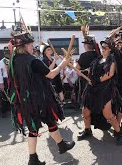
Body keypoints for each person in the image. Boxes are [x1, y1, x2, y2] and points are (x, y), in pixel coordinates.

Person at [9, 29, 75, 165]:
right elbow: (50, 74)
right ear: (25, 46)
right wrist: (63, 64)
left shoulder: (14, 60)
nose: (33, 46)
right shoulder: (33, 61)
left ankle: (39, 156)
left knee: (38, 127)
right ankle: (56, 148)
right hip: (39, 99)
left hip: (25, 100)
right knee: (48, 121)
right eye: (31, 44)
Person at [77, 38, 122, 145]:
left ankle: (119, 133)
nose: (102, 49)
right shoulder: (98, 59)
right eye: (102, 47)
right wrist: (83, 71)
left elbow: (110, 74)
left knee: (108, 114)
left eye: (105, 47)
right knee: (85, 111)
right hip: (91, 89)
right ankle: (87, 130)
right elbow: (91, 69)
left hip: (105, 89)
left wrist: (97, 80)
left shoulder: (111, 59)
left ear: (110, 50)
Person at [0, 46, 10, 118]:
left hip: (13, 79)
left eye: (8, 51)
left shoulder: (13, 59)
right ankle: (4, 111)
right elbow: (0, 73)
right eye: (6, 52)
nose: (7, 53)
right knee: (4, 96)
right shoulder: (2, 61)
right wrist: (1, 83)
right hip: (5, 80)